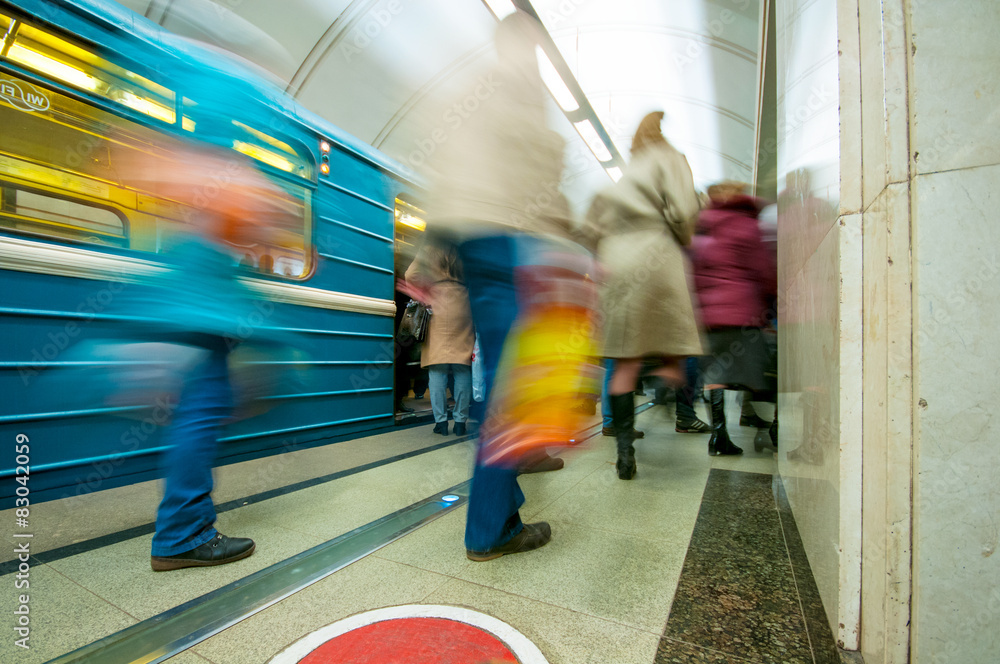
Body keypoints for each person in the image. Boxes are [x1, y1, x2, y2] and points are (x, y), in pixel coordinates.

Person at [424, 11, 576, 561]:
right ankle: (489, 529)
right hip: (508, 240)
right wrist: (562, 241)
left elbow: (442, 173)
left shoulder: (467, 88)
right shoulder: (521, 85)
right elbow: (541, 171)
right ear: (531, 41)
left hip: (468, 240)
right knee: (516, 386)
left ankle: (505, 500)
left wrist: (432, 248)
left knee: (508, 372)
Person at [585, 111, 703, 479]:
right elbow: (684, 211)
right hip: (655, 255)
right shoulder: (671, 158)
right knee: (676, 346)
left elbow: (592, 226)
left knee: (625, 362)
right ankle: (668, 390)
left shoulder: (625, 175)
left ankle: (624, 451)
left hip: (617, 262)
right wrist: (684, 238)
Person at [690, 181, 777, 455]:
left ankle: (718, 437)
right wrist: (772, 303)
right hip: (742, 315)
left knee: (715, 376)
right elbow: (764, 272)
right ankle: (768, 432)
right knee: (758, 377)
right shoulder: (747, 226)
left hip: (709, 319)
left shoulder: (700, 227)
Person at [403, 243, 475, 436]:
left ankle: (441, 422)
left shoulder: (429, 247)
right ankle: (460, 422)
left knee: (437, 368)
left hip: (436, 305)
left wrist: (424, 291)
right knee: (462, 366)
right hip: (463, 304)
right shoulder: (464, 247)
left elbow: (411, 274)